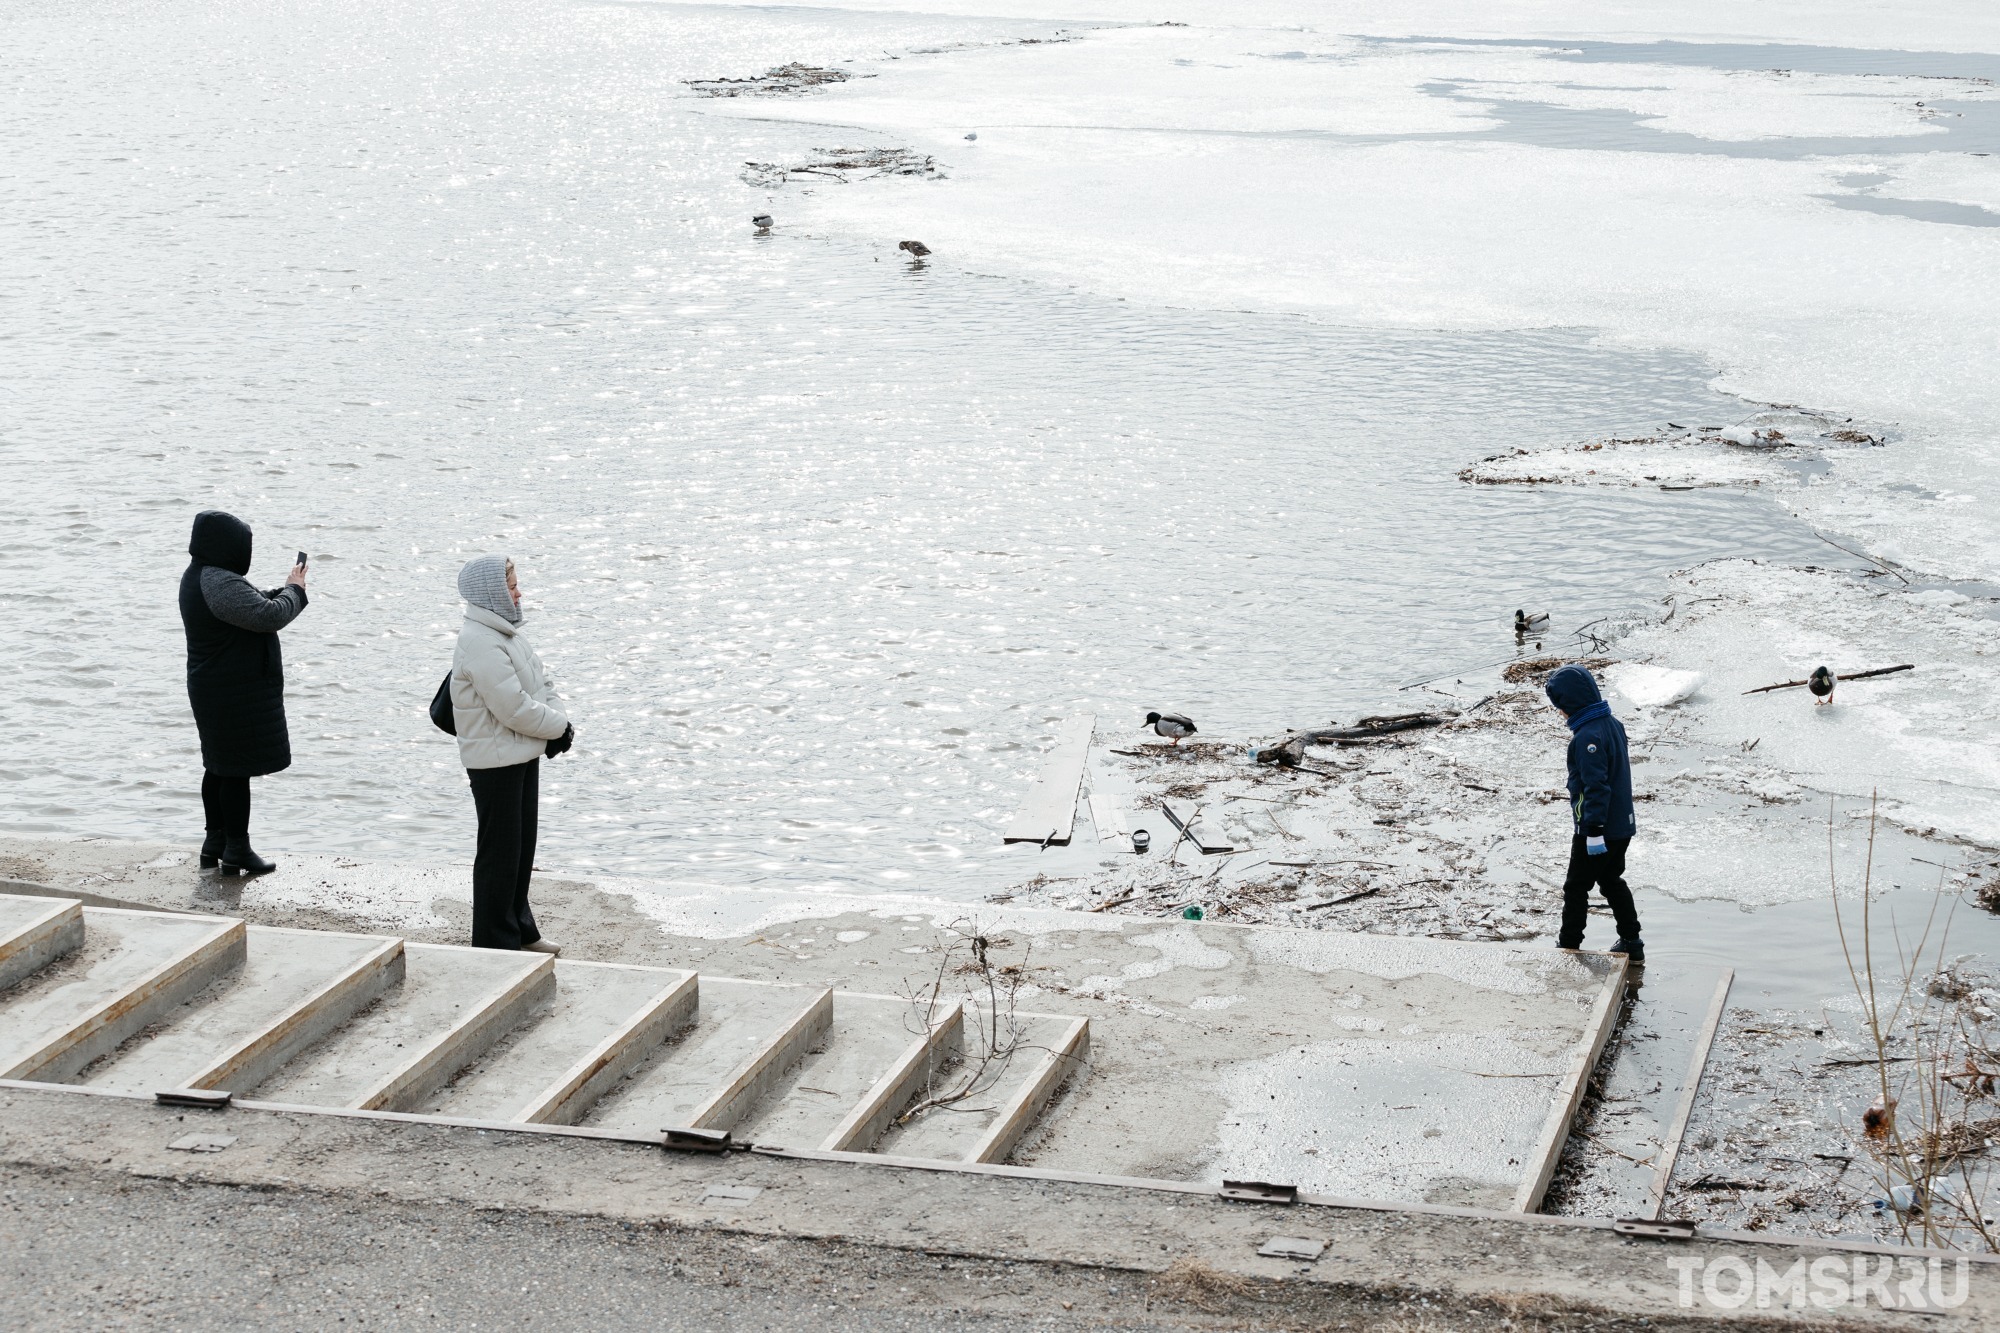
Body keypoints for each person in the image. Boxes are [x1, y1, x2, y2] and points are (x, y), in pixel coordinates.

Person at [451, 555, 573, 954]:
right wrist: (558, 728)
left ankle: (521, 932)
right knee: (499, 856)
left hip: (520, 752)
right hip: (494, 762)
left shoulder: (507, 633)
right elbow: (512, 707)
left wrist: (559, 719)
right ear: (492, 593)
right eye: (512, 586)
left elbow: (542, 683)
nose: (519, 592)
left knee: (520, 851)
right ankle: (494, 944)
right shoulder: (480, 640)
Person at [179, 510, 309, 876]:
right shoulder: (219, 582)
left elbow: (249, 607)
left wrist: (284, 590)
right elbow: (269, 617)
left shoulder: (204, 575)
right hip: (230, 690)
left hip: (217, 686)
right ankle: (237, 849)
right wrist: (296, 593)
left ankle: (215, 843)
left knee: (219, 767)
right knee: (234, 770)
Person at [1544, 664, 1643, 961]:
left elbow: (1596, 786)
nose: (1560, 712)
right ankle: (1632, 941)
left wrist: (1594, 830)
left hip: (1597, 828)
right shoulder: (1612, 723)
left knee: (1576, 887)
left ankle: (1569, 944)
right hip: (1621, 824)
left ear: (1570, 704)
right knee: (1611, 881)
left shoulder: (1587, 737)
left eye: (1560, 706)